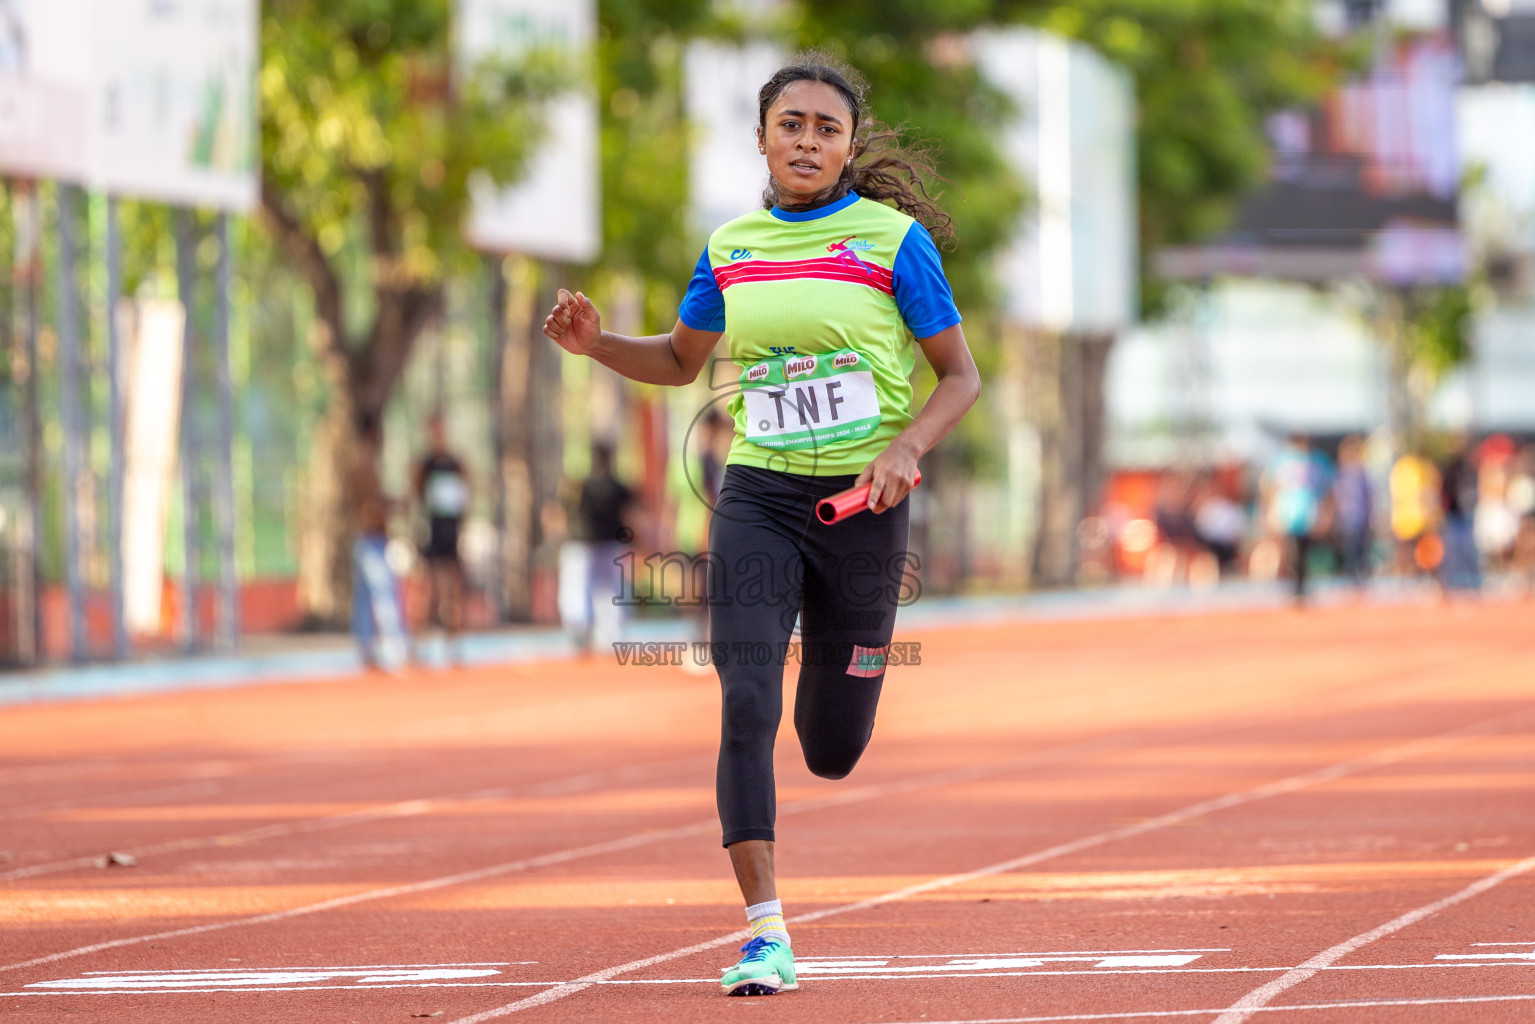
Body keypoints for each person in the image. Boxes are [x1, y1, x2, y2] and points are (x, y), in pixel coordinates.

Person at [542, 53, 980, 997]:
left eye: (827, 127)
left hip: (864, 509)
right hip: (758, 498)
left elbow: (960, 376)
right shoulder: (730, 246)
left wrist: (905, 449)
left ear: (849, 145)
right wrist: (595, 345)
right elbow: (676, 358)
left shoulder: (892, 242)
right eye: (792, 125)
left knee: (830, 747)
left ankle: (845, 683)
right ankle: (765, 933)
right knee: (745, 700)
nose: (808, 141)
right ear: (763, 138)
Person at [558, 444, 636, 653]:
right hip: (603, 544)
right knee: (606, 590)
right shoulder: (614, 486)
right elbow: (631, 515)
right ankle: (605, 634)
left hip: (589, 544)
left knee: (583, 589)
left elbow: (565, 512)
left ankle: (583, 633)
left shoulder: (584, 486)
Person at [350, 417, 409, 670]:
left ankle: (365, 648)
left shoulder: (365, 466)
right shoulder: (362, 467)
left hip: (366, 538)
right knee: (384, 593)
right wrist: (393, 504)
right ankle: (396, 647)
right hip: (370, 538)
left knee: (364, 597)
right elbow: (371, 505)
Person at [413, 413, 471, 662]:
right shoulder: (424, 465)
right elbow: (415, 494)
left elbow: (466, 495)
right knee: (430, 592)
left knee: (453, 592)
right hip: (432, 534)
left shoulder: (456, 463)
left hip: (451, 535)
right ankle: (419, 645)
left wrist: (463, 524)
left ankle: (453, 644)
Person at [1261, 433, 1332, 604]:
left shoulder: (1313, 461)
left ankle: (1299, 589)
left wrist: (1325, 512)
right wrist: (1270, 509)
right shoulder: (1286, 461)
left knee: (1301, 552)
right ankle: (1295, 588)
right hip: (1290, 512)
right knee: (1292, 552)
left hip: (1304, 512)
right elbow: (1268, 486)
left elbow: (1325, 489)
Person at [1438, 439, 1481, 594]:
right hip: (1453, 514)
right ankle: (1453, 581)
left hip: (1464, 514)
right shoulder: (1449, 470)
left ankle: (1470, 580)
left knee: (1466, 548)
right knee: (1453, 549)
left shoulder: (1468, 469)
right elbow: (1443, 492)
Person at [1331, 435, 1374, 587]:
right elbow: (1337, 496)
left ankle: (1361, 577)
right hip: (1347, 518)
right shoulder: (1341, 473)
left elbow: (1368, 497)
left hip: (1360, 517)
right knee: (1349, 549)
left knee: (1361, 549)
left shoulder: (1362, 475)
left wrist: (1370, 516)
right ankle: (1350, 577)